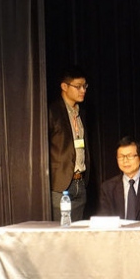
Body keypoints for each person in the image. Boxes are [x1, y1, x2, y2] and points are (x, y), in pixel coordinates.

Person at [48, 66, 90, 222]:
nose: (83, 90)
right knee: (59, 231)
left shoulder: (81, 112)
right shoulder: (52, 111)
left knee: (77, 231)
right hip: (60, 185)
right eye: (78, 86)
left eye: (84, 86)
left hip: (80, 182)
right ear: (64, 86)